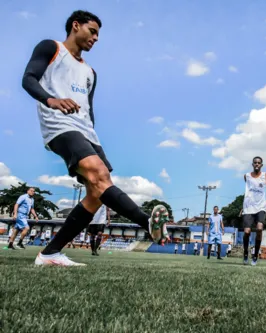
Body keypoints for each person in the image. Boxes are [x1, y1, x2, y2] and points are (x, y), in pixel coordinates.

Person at [21, 10, 169, 266]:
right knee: (98, 175)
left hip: (87, 132)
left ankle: (49, 253)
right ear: (75, 26)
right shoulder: (51, 48)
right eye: (93, 31)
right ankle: (146, 222)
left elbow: (88, 108)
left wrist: (93, 138)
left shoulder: (90, 73)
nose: (96, 38)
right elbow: (28, 79)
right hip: (59, 125)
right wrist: (52, 100)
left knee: (96, 193)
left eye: (98, 34)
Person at [241, 156, 266, 265]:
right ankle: (245, 253)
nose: (257, 164)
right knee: (247, 231)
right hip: (248, 207)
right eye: (255, 162)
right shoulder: (247, 176)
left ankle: (255, 256)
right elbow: (247, 192)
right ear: (252, 164)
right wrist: (243, 206)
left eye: (259, 163)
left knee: (259, 229)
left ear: (261, 165)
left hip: (261, 207)